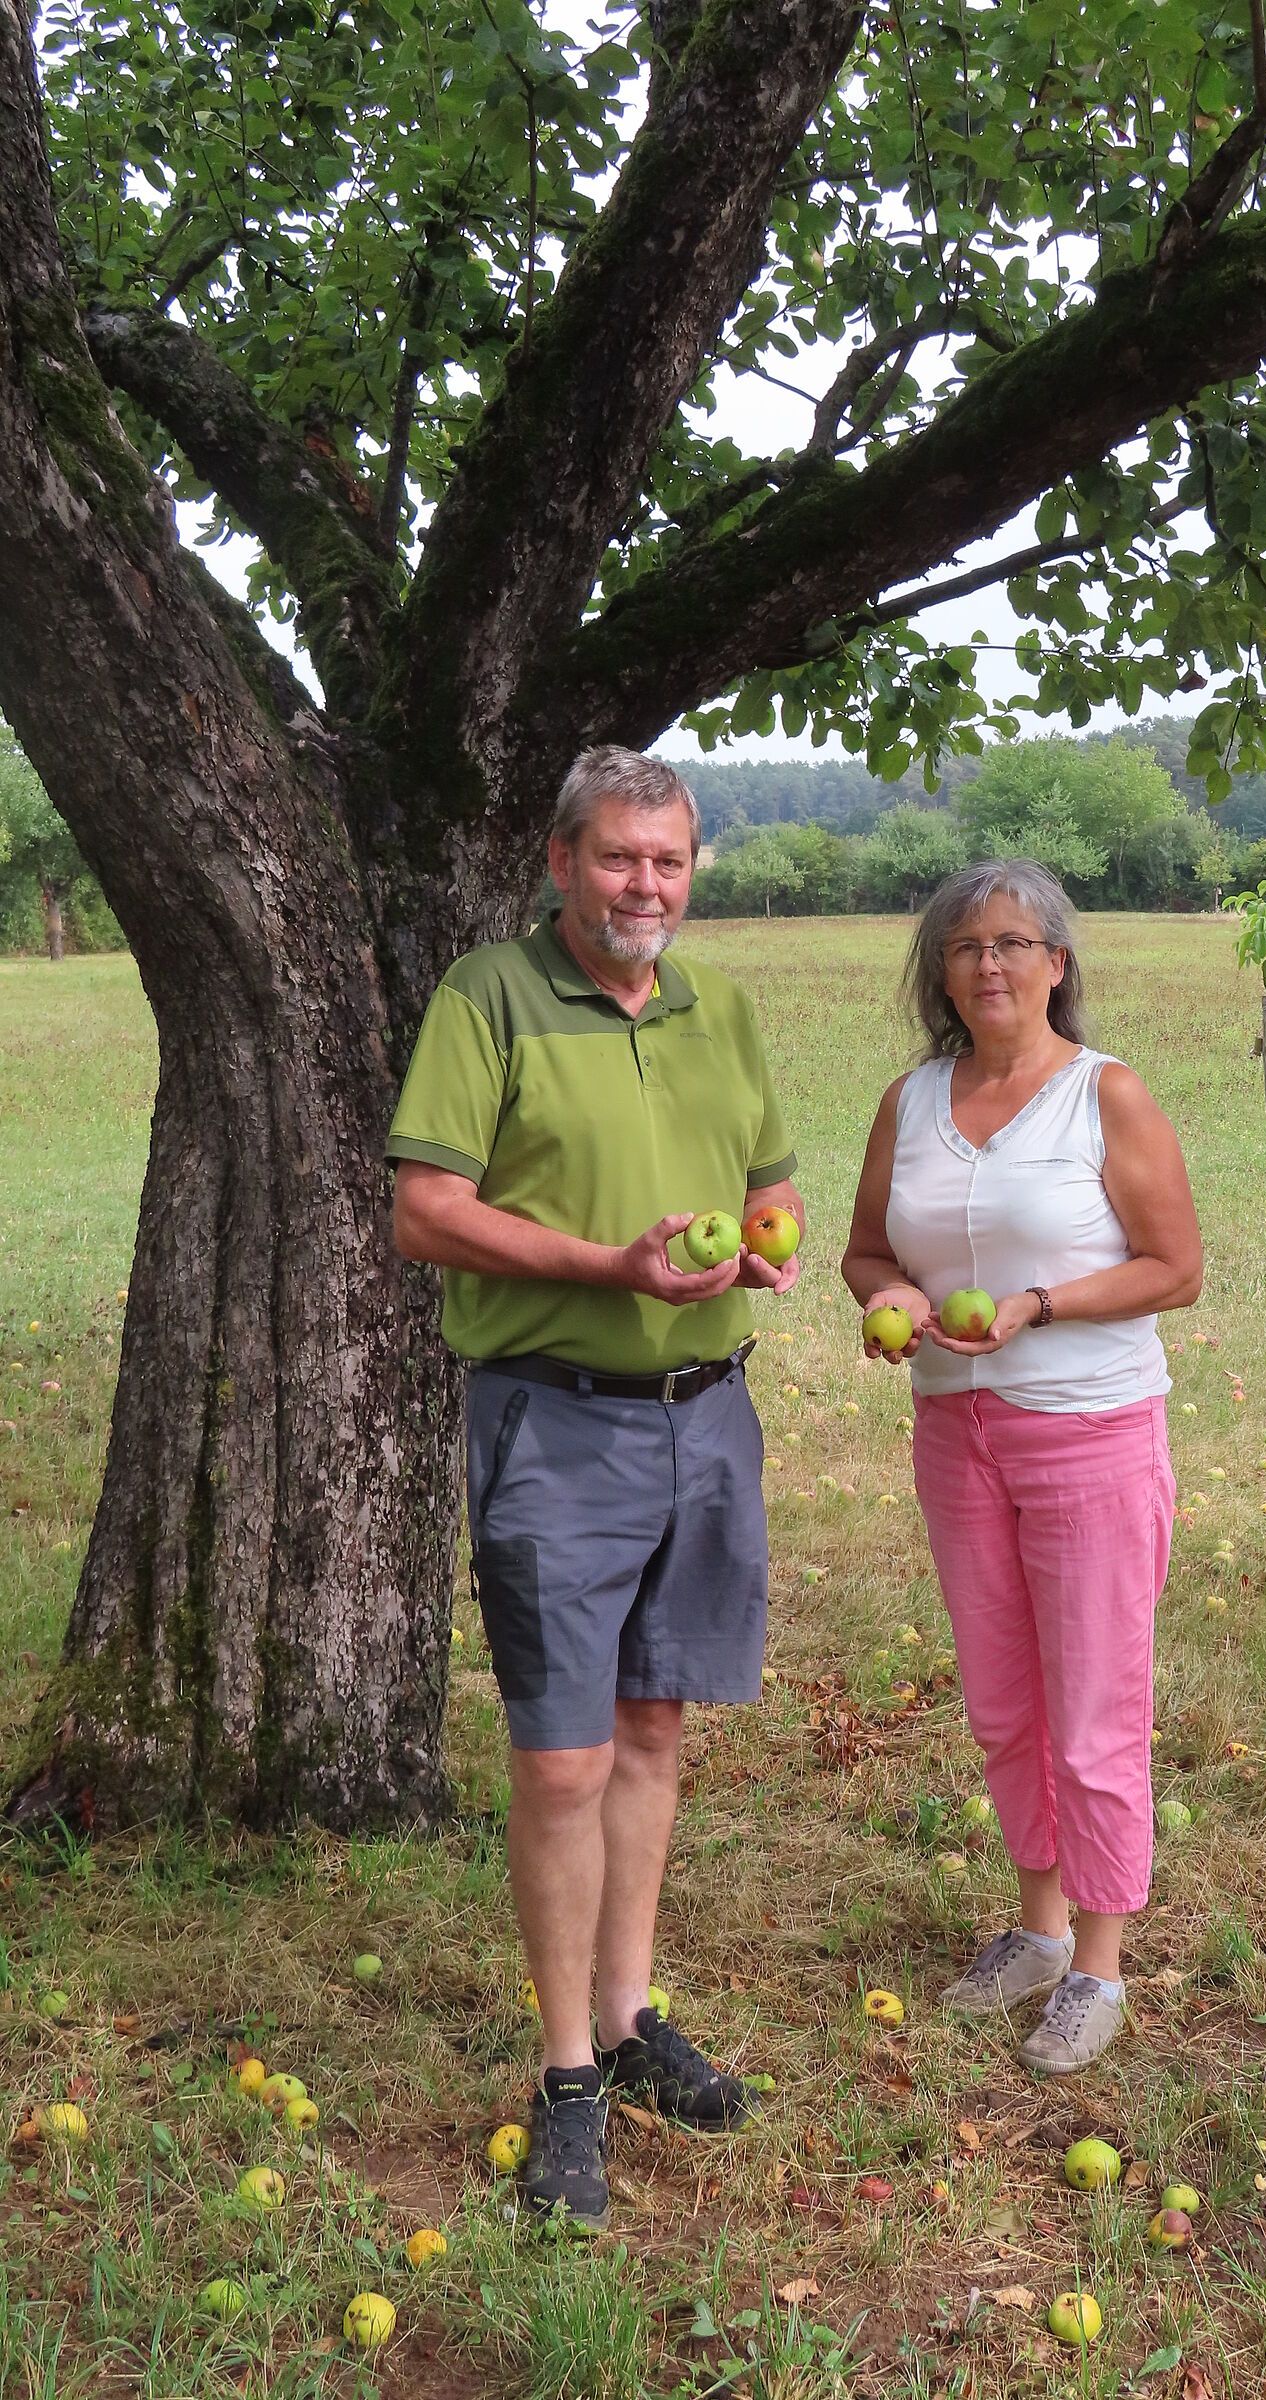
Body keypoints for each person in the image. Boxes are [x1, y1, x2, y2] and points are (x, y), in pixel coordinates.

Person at [387, 747, 802, 2232]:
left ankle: (627, 2023)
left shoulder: (721, 1007)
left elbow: (771, 1182)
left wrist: (768, 1243)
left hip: (708, 1415)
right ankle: (565, 2070)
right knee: (560, 1757)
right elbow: (427, 1209)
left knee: (650, 1728)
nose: (646, 887)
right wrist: (609, 1264)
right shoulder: (488, 997)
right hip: (555, 1419)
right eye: (619, 858)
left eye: (670, 862)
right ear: (562, 862)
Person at [841, 859, 1202, 2074]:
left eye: (1012, 942)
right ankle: (1039, 1933)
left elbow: (1173, 1267)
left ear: (1058, 963)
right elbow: (860, 1253)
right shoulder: (914, 1099)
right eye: (963, 947)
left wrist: (1037, 1307)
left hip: (1089, 1431)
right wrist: (893, 1294)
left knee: (1094, 1710)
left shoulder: (1107, 1096)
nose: (987, 965)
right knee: (1004, 1700)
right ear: (940, 974)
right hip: (959, 1435)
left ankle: (1100, 1967)